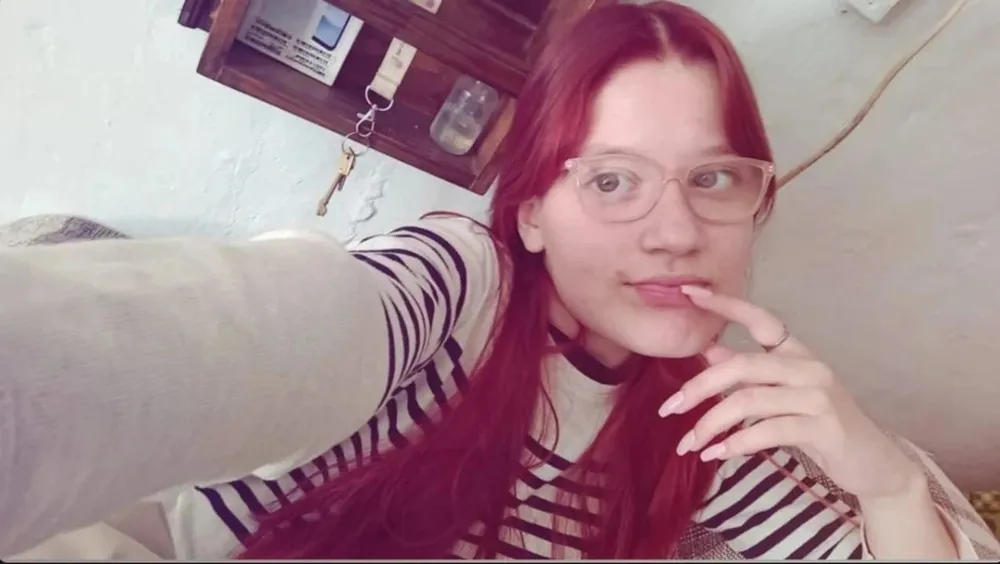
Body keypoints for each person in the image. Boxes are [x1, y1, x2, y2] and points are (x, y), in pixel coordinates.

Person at [1, 1, 997, 560]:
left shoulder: (708, 421)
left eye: (712, 179)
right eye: (611, 180)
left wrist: (886, 477)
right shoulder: (458, 289)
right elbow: (259, 329)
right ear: (528, 212)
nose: (674, 230)